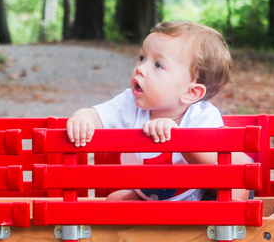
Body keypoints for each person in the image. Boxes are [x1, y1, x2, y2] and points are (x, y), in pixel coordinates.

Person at [66, 21, 233, 201]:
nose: (140, 69)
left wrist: (178, 138)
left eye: (158, 65)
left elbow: (212, 164)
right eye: (142, 58)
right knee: (114, 200)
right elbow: (95, 116)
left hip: (191, 197)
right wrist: (82, 118)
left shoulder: (203, 116)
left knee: (239, 162)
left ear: (190, 92)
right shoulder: (129, 103)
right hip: (145, 193)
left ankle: (229, 220)